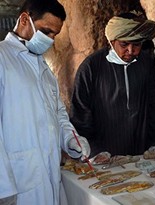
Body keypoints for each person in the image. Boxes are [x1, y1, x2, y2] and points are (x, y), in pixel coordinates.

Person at [0, 0, 91, 205]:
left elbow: (57, 114)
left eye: (54, 35)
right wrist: (3, 187)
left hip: (48, 175)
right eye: (46, 31)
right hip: (17, 182)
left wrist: (70, 139)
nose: (50, 40)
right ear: (25, 19)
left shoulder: (44, 69)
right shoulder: (2, 58)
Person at [70, 11, 155, 157]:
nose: (131, 51)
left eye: (137, 44)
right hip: (103, 155)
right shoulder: (91, 67)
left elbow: (154, 107)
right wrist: (94, 151)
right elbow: (80, 115)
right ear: (112, 40)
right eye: (124, 44)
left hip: (140, 153)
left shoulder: (146, 64)